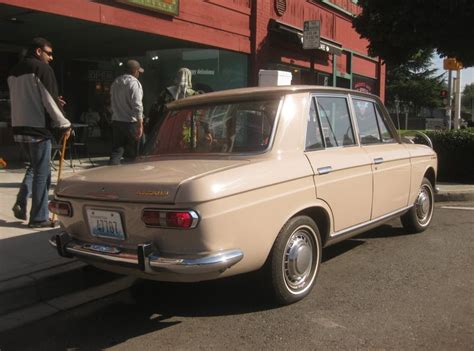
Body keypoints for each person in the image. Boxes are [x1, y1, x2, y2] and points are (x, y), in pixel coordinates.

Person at [8, 37, 71, 227]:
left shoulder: (13, 71)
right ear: (38, 51)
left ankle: (21, 200)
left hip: (19, 127)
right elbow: (49, 99)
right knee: (42, 174)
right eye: (49, 53)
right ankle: (39, 218)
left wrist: (52, 102)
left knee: (35, 168)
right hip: (37, 129)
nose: (51, 58)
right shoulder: (42, 69)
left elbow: (30, 97)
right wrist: (65, 123)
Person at [108, 59, 144, 165]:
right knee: (139, 151)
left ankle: (111, 173)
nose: (139, 74)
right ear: (135, 71)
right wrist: (140, 124)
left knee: (117, 150)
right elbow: (137, 105)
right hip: (130, 122)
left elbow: (112, 102)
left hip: (117, 121)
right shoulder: (134, 83)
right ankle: (135, 176)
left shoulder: (116, 82)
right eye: (139, 72)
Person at [146, 67, 200, 135]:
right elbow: (199, 115)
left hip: (169, 127)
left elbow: (155, 109)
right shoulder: (194, 95)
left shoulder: (166, 93)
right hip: (184, 128)